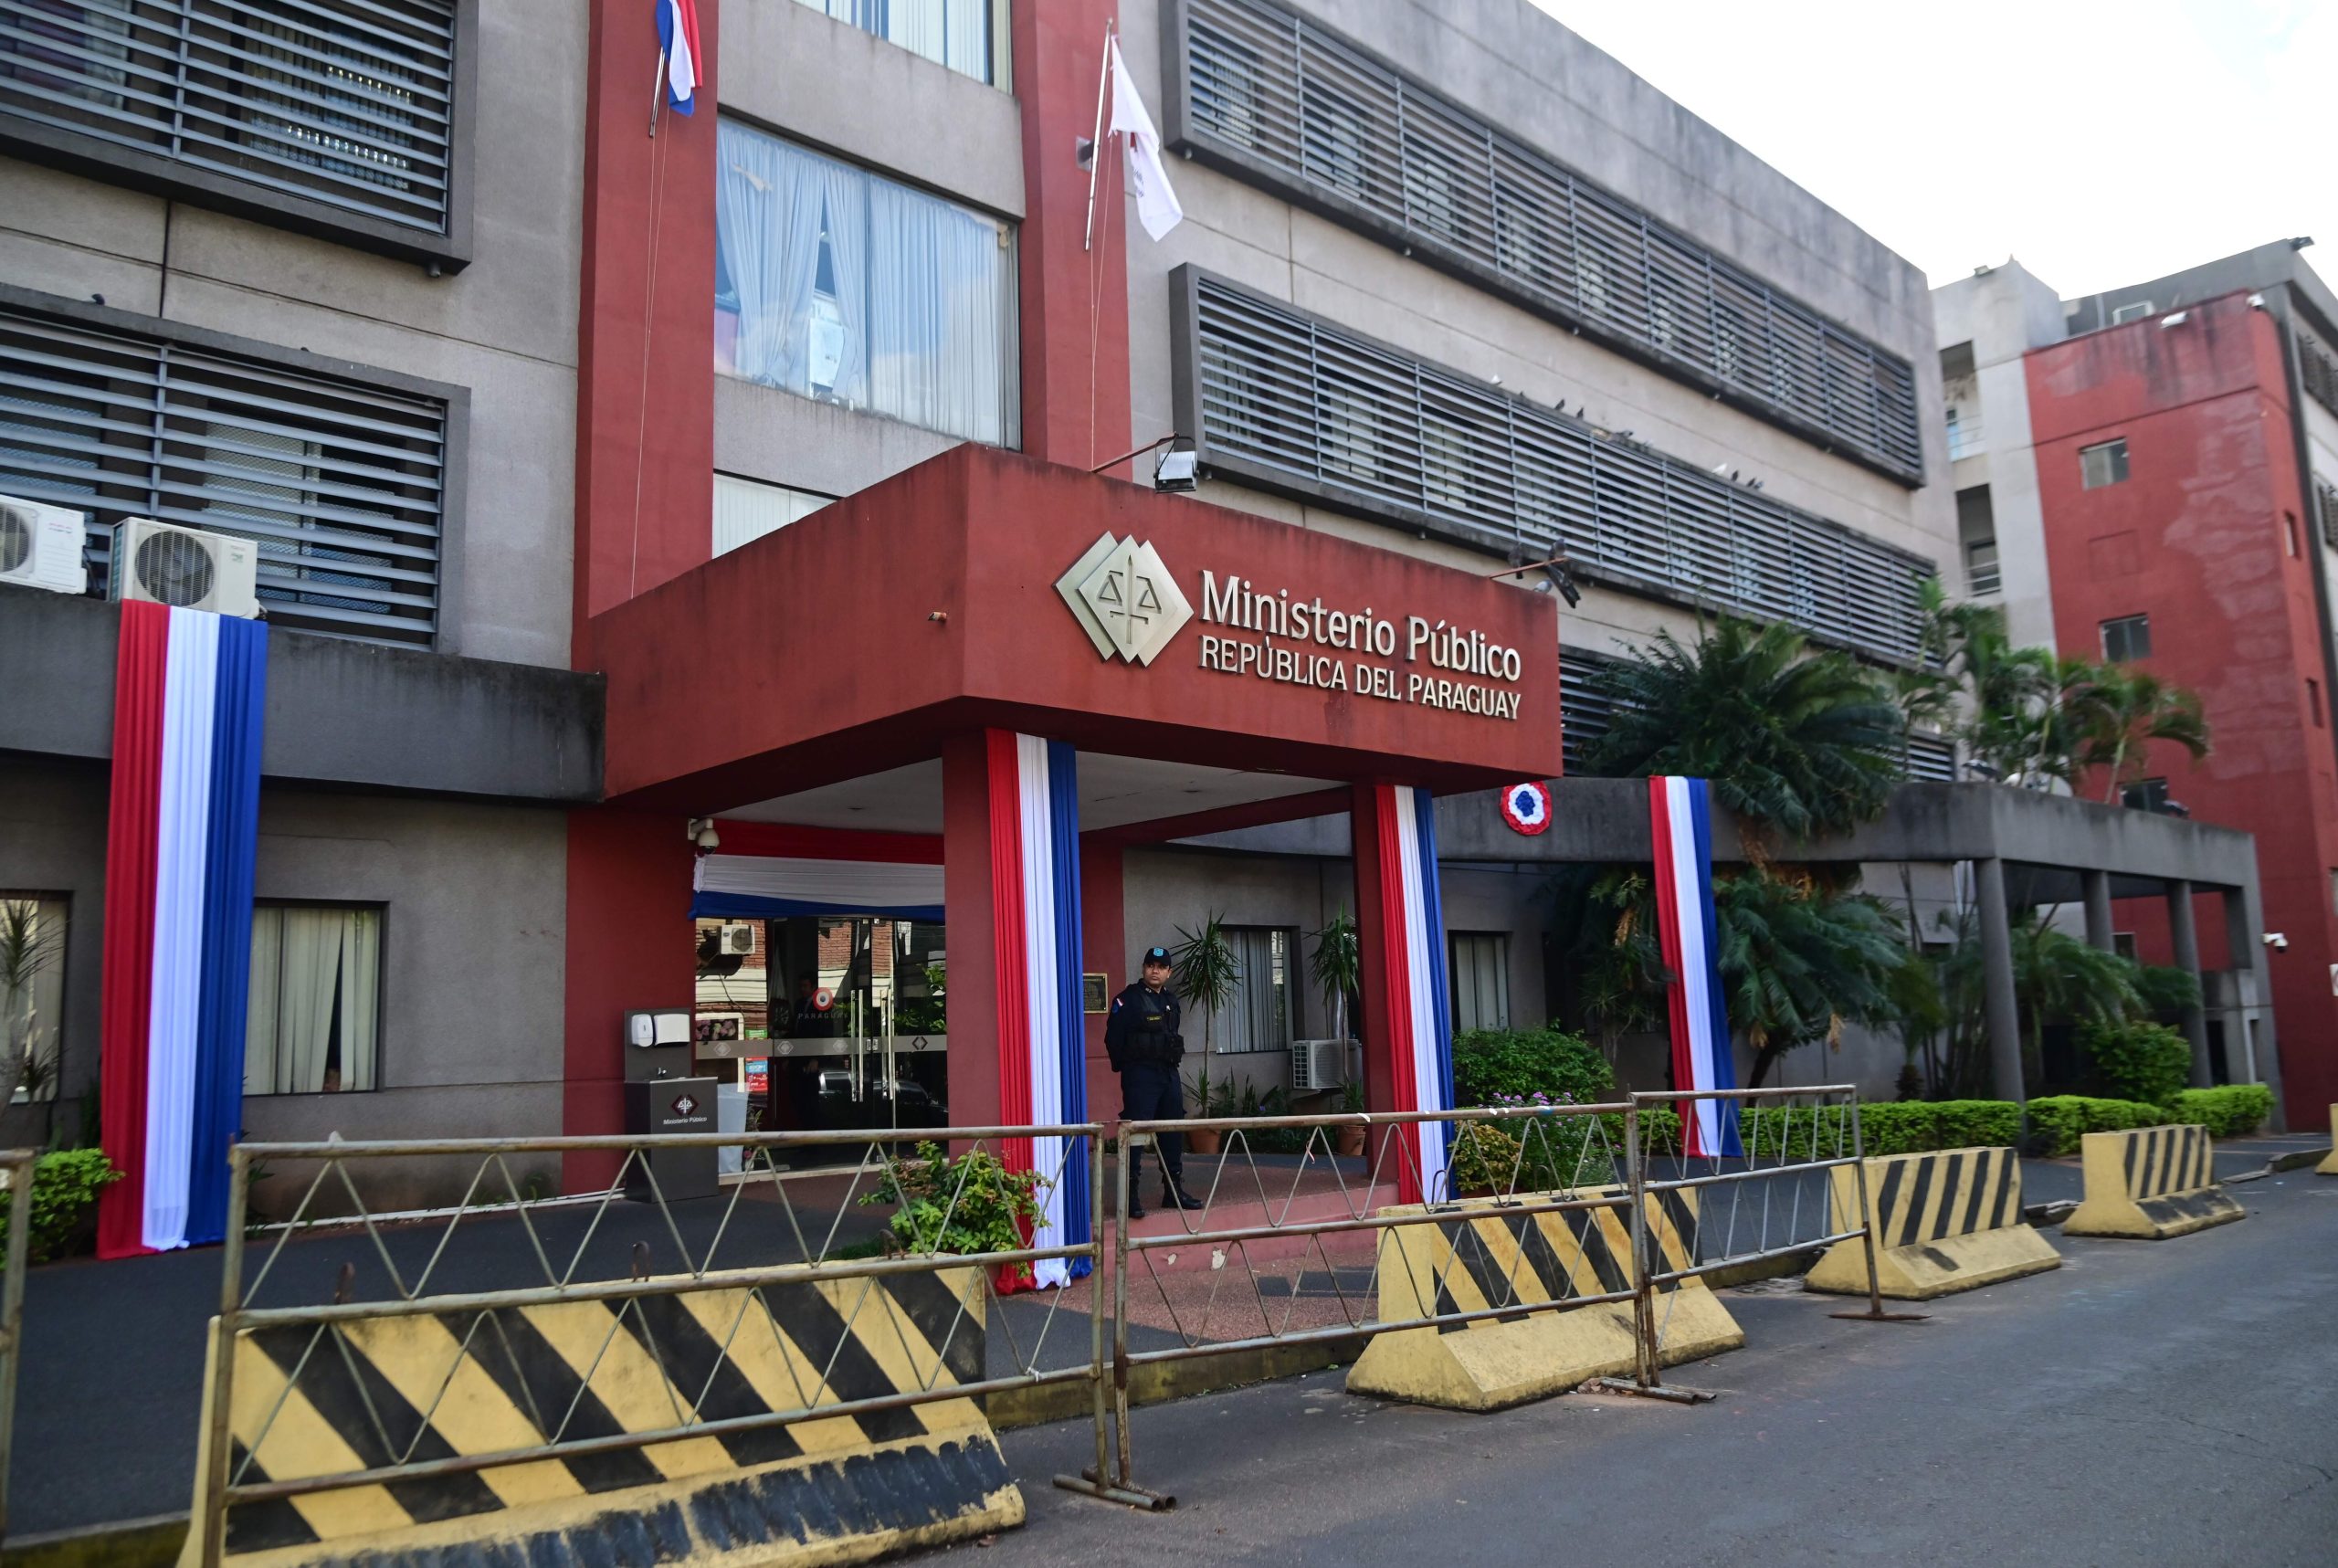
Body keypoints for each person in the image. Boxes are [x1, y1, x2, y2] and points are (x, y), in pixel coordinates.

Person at [1105, 945, 1205, 1217]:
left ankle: (1173, 1192)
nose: (1155, 971)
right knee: (1136, 1133)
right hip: (1141, 1075)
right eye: (1150, 965)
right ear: (1143, 968)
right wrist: (1128, 1067)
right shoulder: (1128, 1000)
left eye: (1161, 967)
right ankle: (1130, 1197)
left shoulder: (1171, 1000)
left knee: (1172, 1129)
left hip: (1168, 1073)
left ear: (1169, 972)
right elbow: (1113, 1039)